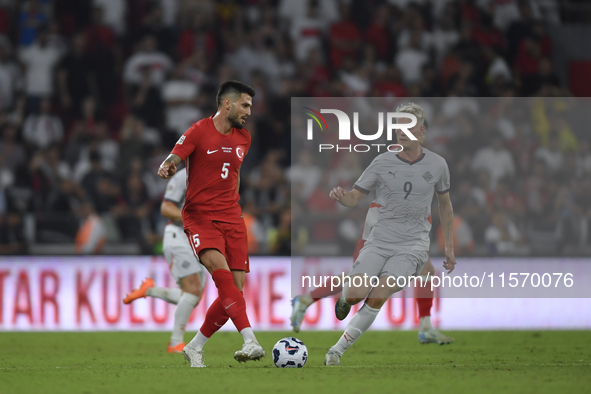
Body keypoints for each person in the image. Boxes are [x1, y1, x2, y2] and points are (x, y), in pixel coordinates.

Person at [291, 119, 454, 345]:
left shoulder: (428, 167)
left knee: (426, 270)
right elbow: (362, 196)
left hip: (405, 238)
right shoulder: (390, 164)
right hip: (377, 237)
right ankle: (307, 299)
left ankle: (425, 325)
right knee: (359, 284)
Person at [157, 80, 264, 368]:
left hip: (232, 217)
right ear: (227, 104)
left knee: (235, 292)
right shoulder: (198, 130)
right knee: (222, 276)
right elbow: (175, 156)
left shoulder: (244, 138)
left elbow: (235, 176)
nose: (249, 111)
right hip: (201, 217)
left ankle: (194, 346)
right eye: (245, 105)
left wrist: (234, 205)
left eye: (250, 106)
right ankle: (250, 340)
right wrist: (168, 165)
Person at [123, 167, 207, 353]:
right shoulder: (183, 176)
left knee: (193, 295)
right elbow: (166, 208)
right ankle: (175, 343)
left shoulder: (214, 174)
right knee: (192, 290)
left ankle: (149, 290)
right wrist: (193, 220)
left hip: (197, 239)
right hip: (179, 236)